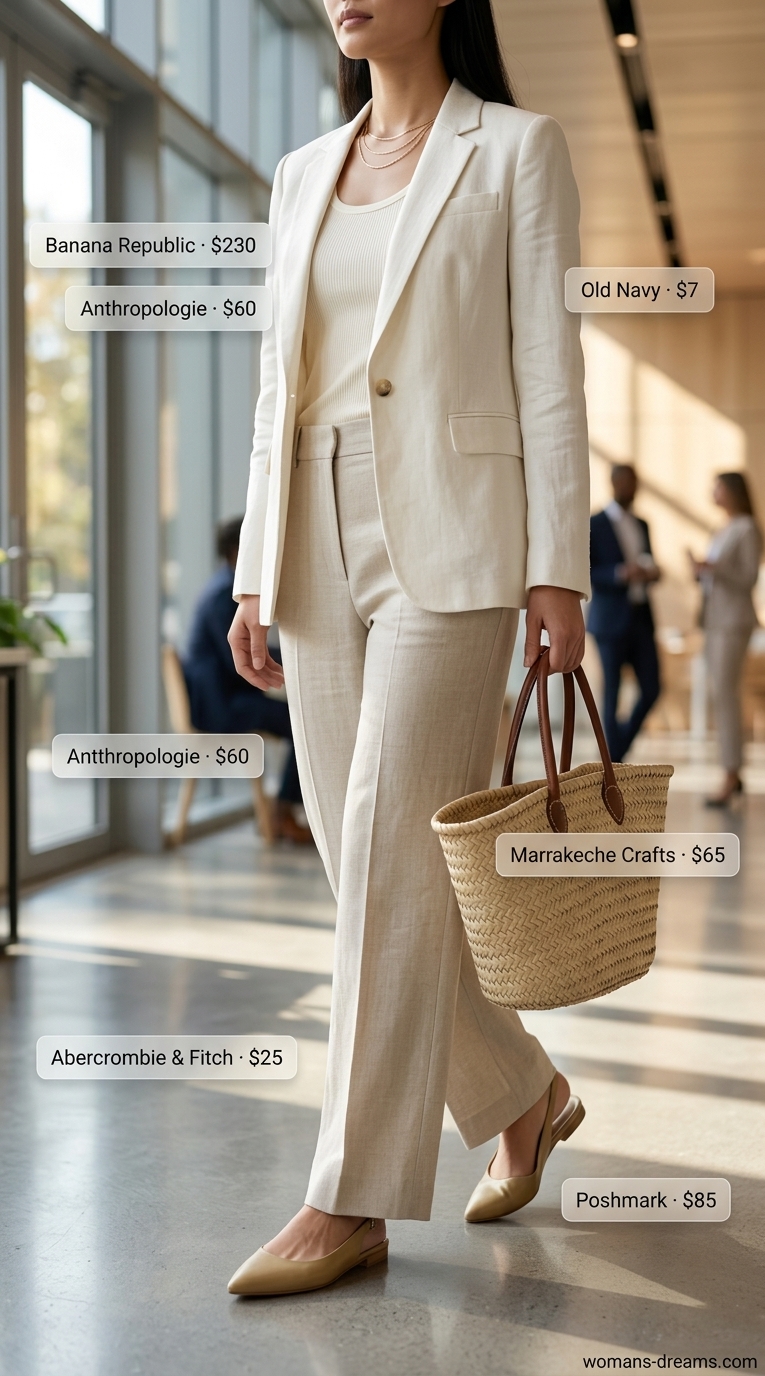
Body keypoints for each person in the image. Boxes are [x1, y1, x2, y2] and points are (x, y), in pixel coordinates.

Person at [226, 0, 591, 1297]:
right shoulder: (299, 174)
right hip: (315, 531)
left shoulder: (514, 151)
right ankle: (522, 1089)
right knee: (356, 852)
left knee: (387, 840)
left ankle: (353, 1197)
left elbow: (549, 365)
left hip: (457, 539)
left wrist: (562, 569)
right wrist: (254, 564)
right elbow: (280, 383)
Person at [183, 517, 312, 843]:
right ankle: (282, 813)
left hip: (226, 699)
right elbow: (240, 658)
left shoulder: (224, 588)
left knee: (300, 721)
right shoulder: (223, 595)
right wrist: (297, 659)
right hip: (220, 709)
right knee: (303, 724)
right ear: (237, 551)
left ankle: (282, 810)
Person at [689, 472, 763, 807]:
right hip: (716, 620)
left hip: (734, 622)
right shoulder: (721, 528)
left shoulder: (747, 527)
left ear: (733, 491)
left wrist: (714, 568)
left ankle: (731, 773)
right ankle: (732, 772)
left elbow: (748, 577)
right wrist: (702, 572)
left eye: (717, 486)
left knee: (726, 695)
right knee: (722, 695)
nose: (713, 492)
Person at [588, 464, 661, 762]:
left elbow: (648, 560)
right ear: (614, 483)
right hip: (609, 619)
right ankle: (611, 761)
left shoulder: (642, 524)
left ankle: (615, 753)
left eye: (636, 482)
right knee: (612, 692)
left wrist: (652, 572)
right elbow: (588, 570)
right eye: (627, 482)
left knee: (652, 689)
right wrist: (621, 573)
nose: (632, 488)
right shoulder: (595, 523)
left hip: (641, 617)